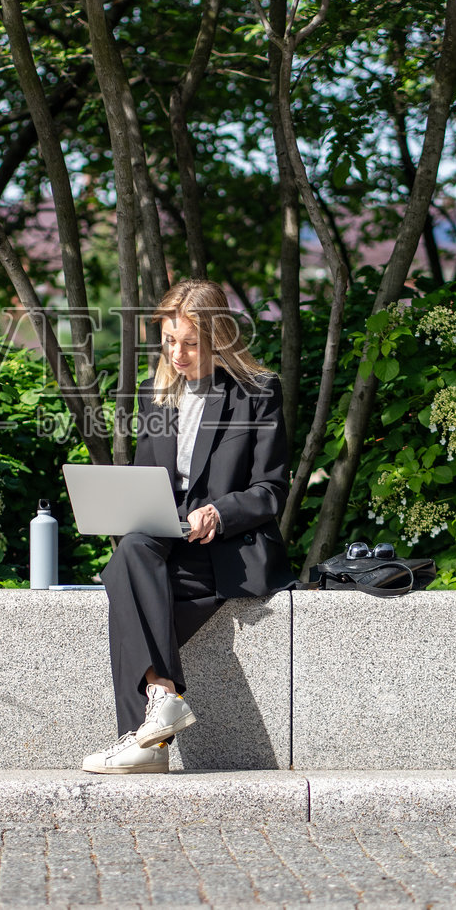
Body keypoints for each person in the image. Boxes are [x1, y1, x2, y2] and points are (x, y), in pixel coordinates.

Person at [82, 279, 293, 775]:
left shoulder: (257, 393)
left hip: (226, 549)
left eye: (191, 343)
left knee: (124, 579)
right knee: (132, 553)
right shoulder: (157, 395)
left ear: (219, 337)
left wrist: (219, 512)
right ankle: (164, 699)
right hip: (166, 545)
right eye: (169, 341)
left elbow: (271, 489)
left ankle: (146, 743)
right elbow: (144, 481)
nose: (178, 353)